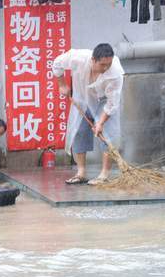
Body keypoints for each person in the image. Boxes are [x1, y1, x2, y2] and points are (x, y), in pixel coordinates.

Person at [52, 43, 124, 185]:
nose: (106, 68)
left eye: (108, 64)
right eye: (102, 65)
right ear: (93, 60)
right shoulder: (78, 58)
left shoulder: (115, 73)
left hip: (104, 101)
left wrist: (101, 123)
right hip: (82, 96)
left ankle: (104, 174)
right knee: (79, 131)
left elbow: (112, 103)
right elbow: (57, 64)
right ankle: (81, 172)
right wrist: (62, 84)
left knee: (107, 135)